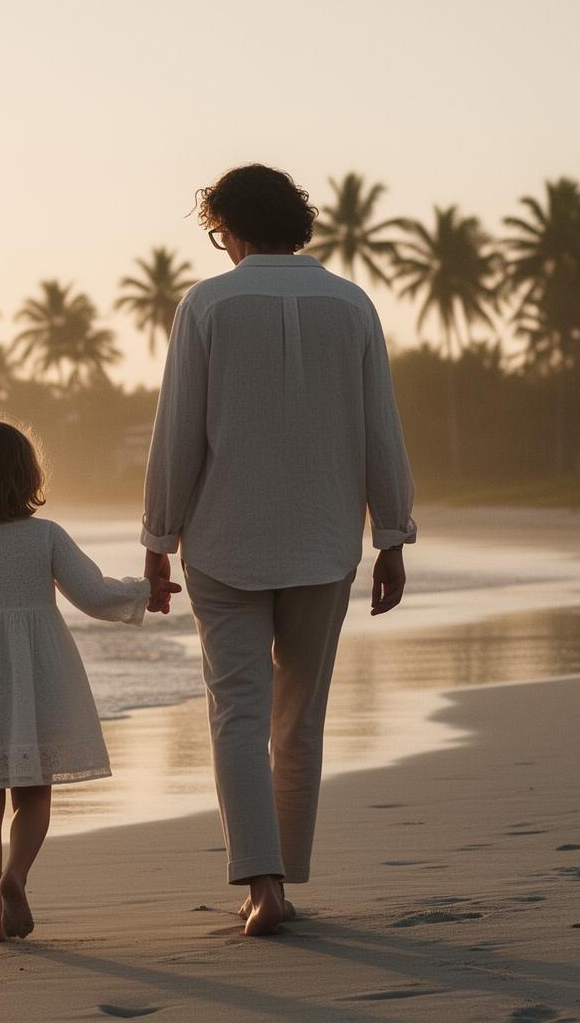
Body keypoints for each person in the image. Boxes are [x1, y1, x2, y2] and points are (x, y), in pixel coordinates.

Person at [140, 163, 415, 936]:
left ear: (231, 224)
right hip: (327, 541)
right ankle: (284, 881)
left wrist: (159, 536)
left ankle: (261, 885)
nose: (217, 243)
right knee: (300, 720)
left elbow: (178, 429)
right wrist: (391, 535)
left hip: (224, 541)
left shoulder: (208, 304)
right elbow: (379, 427)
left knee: (236, 715)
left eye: (216, 230)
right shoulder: (351, 303)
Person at [0, 419, 179, 942]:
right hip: (38, 671)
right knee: (34, 796)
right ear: (27, 475)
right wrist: (147, 588)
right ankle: (17, 874)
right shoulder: (46, 536)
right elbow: (93, 593)